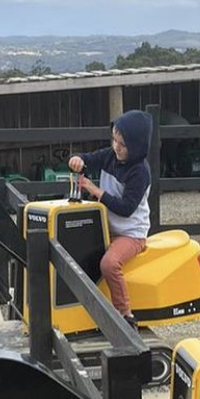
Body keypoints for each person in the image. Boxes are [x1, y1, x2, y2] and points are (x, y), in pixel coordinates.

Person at [68, 109, 153, 327]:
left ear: (136, 146)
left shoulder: (139, 172)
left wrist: (95, 191)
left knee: (108, 264)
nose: (116, 147)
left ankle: (125, 315)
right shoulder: (111, 155)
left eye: (122, 144)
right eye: (114, 140)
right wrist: (76, 160)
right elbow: (87, 159)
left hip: (131, 233)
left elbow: (126, 208)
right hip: (107, 228)